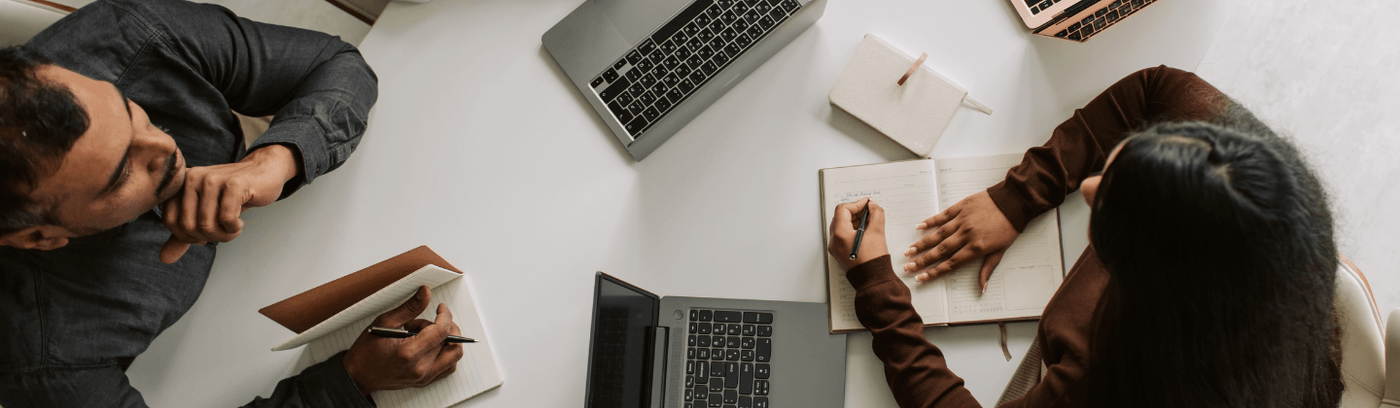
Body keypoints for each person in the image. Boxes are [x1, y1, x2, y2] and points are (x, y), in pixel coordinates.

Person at [0, 1, 463, 406]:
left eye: (130, 111)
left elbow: (336, 64)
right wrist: (353, 380)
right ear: (40, 236)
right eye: (122, 172)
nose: (166, 148)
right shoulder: (40, 359)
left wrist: (276, 158)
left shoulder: (128, 35)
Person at [827, 66, 1344, 407]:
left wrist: (875, 286)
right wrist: (1020, 197)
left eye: (1108, 205)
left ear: (1144, 281)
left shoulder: (1108, 377)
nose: (1089, 186)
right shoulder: (1252, 183)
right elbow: (1154, 90)